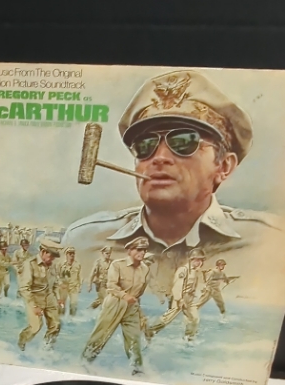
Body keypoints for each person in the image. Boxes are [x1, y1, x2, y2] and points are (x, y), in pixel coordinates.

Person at [62, 69, 285, 303]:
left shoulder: (272, 244)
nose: (159, 158)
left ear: (224, 166)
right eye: (145, 144)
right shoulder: (82, 242)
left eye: (183, 141)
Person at [82, 236, 150, 374]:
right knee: (101, 335)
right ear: (129, 251)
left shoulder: (145, 269)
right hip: (115, 303)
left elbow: (139, 293)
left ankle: (136, 370)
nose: (142, 253)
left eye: (144, 250)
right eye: (138, 249)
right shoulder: (117, 265)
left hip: (131, 308)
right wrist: (124, 295)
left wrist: (140, 314)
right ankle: (84, 363)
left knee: (134, 339)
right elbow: (111, 285)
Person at [149, 249, 206, 342]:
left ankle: (189, 337)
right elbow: (177, 286)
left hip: (189, 299)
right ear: (191, 259)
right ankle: (151, 331)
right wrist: (180, 299)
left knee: (194, 318)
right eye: (197, 260)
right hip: (180, 298)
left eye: (201, 260)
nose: (199, 262)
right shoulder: (183, 270)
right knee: (168, 318)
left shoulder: (195, 271)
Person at [17, 240, 61, 352]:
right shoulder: (30, 264)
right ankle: (22, 340)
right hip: (34, 298)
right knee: (36, 327)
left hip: (49, 297)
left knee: (55, 325)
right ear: (43, 252)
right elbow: (24, 288)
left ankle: (47, 348)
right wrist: (34, 306)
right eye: (51, 256)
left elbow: (55, 283)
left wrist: (58, 298)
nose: (52, 259)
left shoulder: (52, 265)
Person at [58, 246, 82, 317]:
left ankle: (72, 319)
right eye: (70, 253)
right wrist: (60, 283)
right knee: (61, 305)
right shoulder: (61, 264)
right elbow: (57, 275)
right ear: (66, 254)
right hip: (64, 287)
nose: (72, 255)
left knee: (73, 305)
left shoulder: (77, 265)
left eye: (73, 253)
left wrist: (79, 286)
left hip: (73, 287)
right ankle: (61, 318)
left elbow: (80, 276)